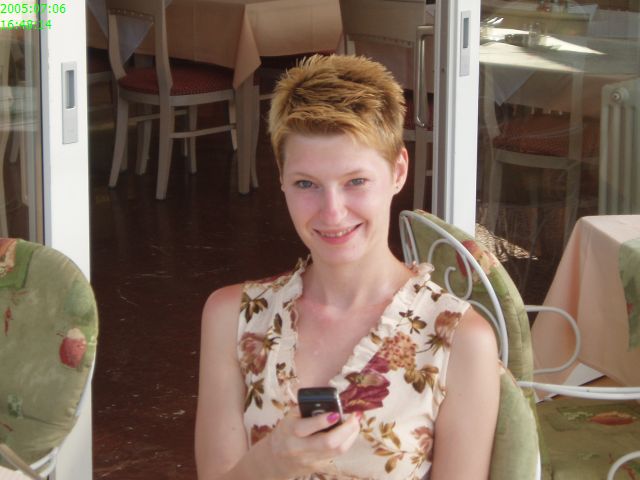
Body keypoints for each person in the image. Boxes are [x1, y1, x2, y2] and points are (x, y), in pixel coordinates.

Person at [195, 54, 500, 480]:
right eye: (306, 183)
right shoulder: (233, 317)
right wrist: (273, 461)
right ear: (281, 177)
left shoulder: (459, 340)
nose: (332, 212)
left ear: (398, 171)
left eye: (356, 181)